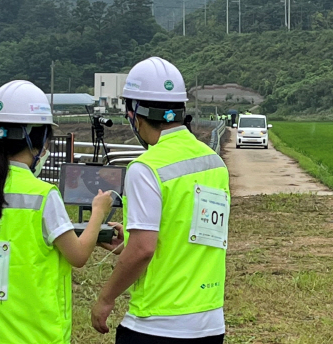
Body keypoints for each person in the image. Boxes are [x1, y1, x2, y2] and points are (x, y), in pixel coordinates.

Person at [91, 57, 231, 344]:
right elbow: (193, 235)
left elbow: (143, 249)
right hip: (209, 321)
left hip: (156, 323)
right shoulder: (214, 162)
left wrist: (105, 299)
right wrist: (126, 247)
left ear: (135, 115)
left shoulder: (146, 168)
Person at [0, 80, 113, 344]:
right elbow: (77, 256)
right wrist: (98, 213)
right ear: (38, 138)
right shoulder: (43, 195)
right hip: (38, 333)